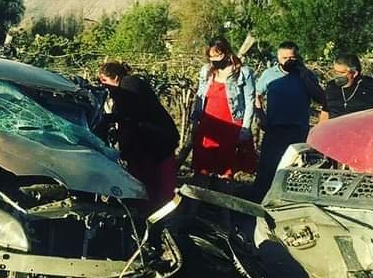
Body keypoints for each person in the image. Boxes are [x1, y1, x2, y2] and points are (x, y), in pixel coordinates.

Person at [97, 61, 180, 209]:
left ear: (116, 77)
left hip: (155, 141)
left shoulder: (129, 85)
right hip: (154, 141)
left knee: (156, 185)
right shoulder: (125, 89)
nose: (103, 85)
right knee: (156, 184)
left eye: (104, 80)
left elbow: (130, 115)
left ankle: (159, 214)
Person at [251, 42, 326, 202]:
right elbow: (256, 96)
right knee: (267, 170)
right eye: (285, 58)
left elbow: (320, 98)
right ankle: (258, 205)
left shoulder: (306, 75)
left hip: (298, 130)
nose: (288, 61)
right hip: (275, 129)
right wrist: (261, 116)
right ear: (278, 58)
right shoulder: (269, 74)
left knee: (295, 171)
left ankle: (291, 203)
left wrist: (304, 75)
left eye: (292, 57)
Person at [190, 38, 257, 179]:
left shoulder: (243, 73)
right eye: (211, 56)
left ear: (226, 53)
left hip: (231, 125)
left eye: (218, 55)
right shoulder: (206, 71)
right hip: (209, 123)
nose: (215, 59)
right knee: (204, 168)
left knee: (226, 169)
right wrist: (195, 120)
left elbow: (250, 101)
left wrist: (245, 128)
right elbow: (200, 96)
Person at [319, 53, 373, 121]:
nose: (337, 76)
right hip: (334, 131)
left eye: (342, 73)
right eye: (335, 72)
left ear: (354, 73)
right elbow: (325, 113)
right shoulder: (331, 87)